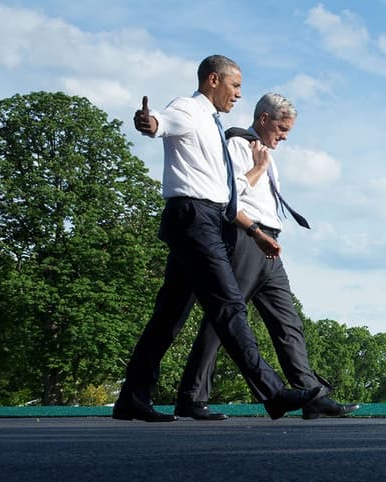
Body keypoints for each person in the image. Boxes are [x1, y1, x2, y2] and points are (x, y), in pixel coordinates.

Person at [112, 55, 324, 422]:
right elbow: (159, 122)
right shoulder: (189, 110)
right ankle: (273, 393)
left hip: (206, 216)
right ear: (213, 80)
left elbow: (228, 191)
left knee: (170, 315)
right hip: (193, 216)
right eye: (236, 85)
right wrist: (147, 122)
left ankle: (132, 396)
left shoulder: (213, 125)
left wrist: (254, 220)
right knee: (228, 305)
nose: (239, 94)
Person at [174, 93, 358, 421]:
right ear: (263, 120)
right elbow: (228, 197)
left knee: (288, 322)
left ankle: (311, 394)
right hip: (246, 239)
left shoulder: (264, 152)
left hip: (270, 244)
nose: (285, 136)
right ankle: (191, 395)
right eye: (282, 128)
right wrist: (259, 171)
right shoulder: (237, 145)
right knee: (224, 320)